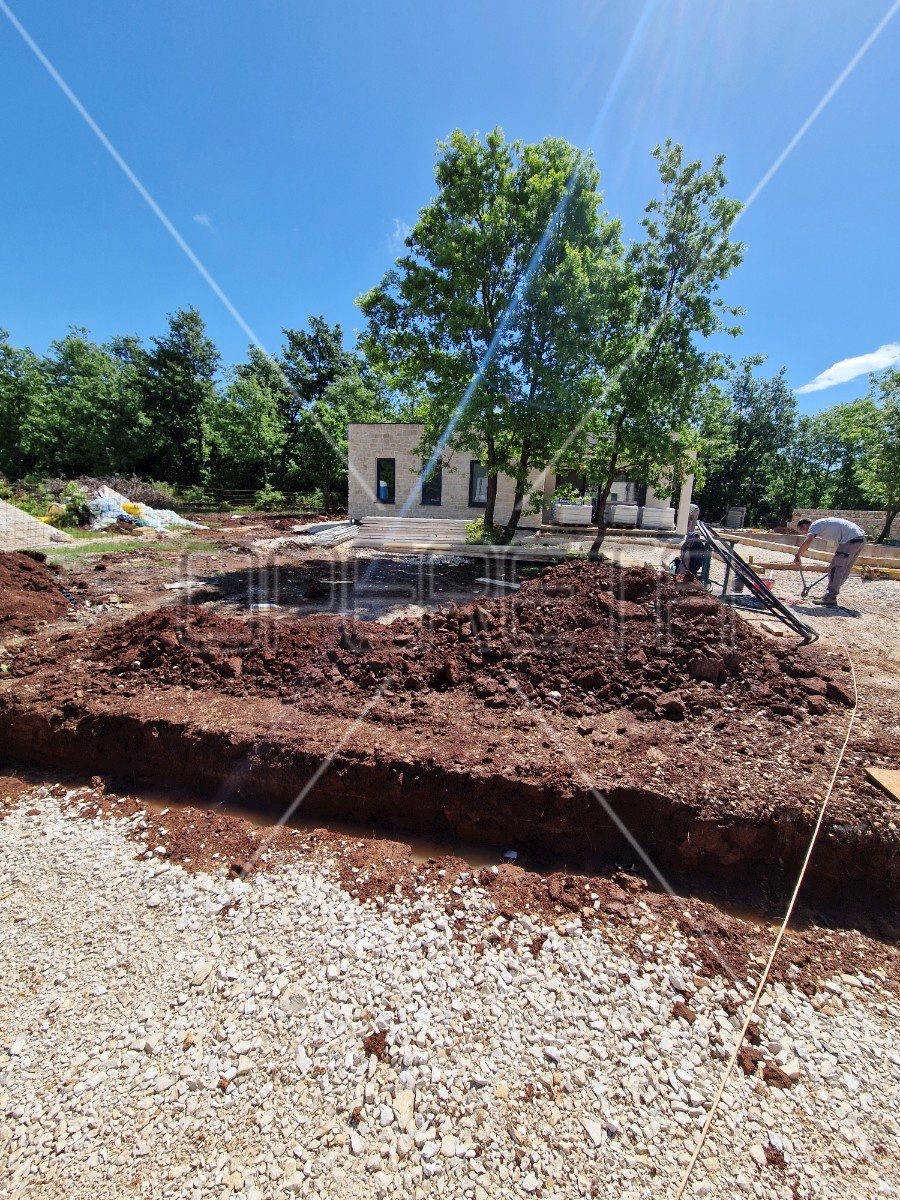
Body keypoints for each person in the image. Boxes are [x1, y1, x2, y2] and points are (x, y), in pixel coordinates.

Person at [793, 517, 866, 606]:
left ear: (804, 525)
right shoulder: (822, 524)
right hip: (859, 539)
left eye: (802, 530)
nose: (804, 533)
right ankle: (831, 594)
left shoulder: (814, 525)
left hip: (851, 539)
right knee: (844, 568)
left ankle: (831, 597)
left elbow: (808, 542)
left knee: (835, 568)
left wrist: (798, 555)